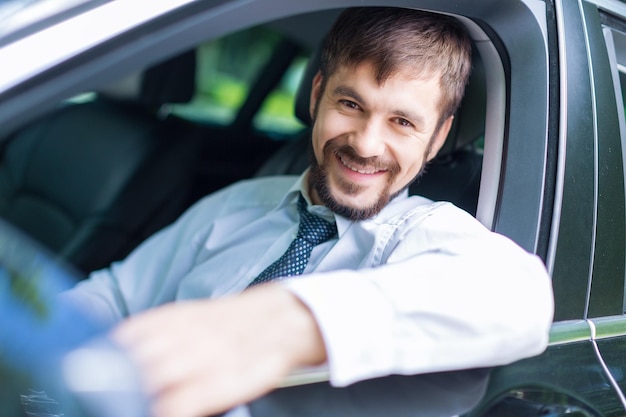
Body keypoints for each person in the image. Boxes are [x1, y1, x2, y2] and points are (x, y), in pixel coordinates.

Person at [62, 7, 554, 417]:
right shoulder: (238, 203)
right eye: (351, 104)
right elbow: (115, 297)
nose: (366, 143)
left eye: (402, 121)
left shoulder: (423, 236)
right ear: (317, 94)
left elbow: (521, 297)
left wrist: (279, 324)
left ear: (438, 138)